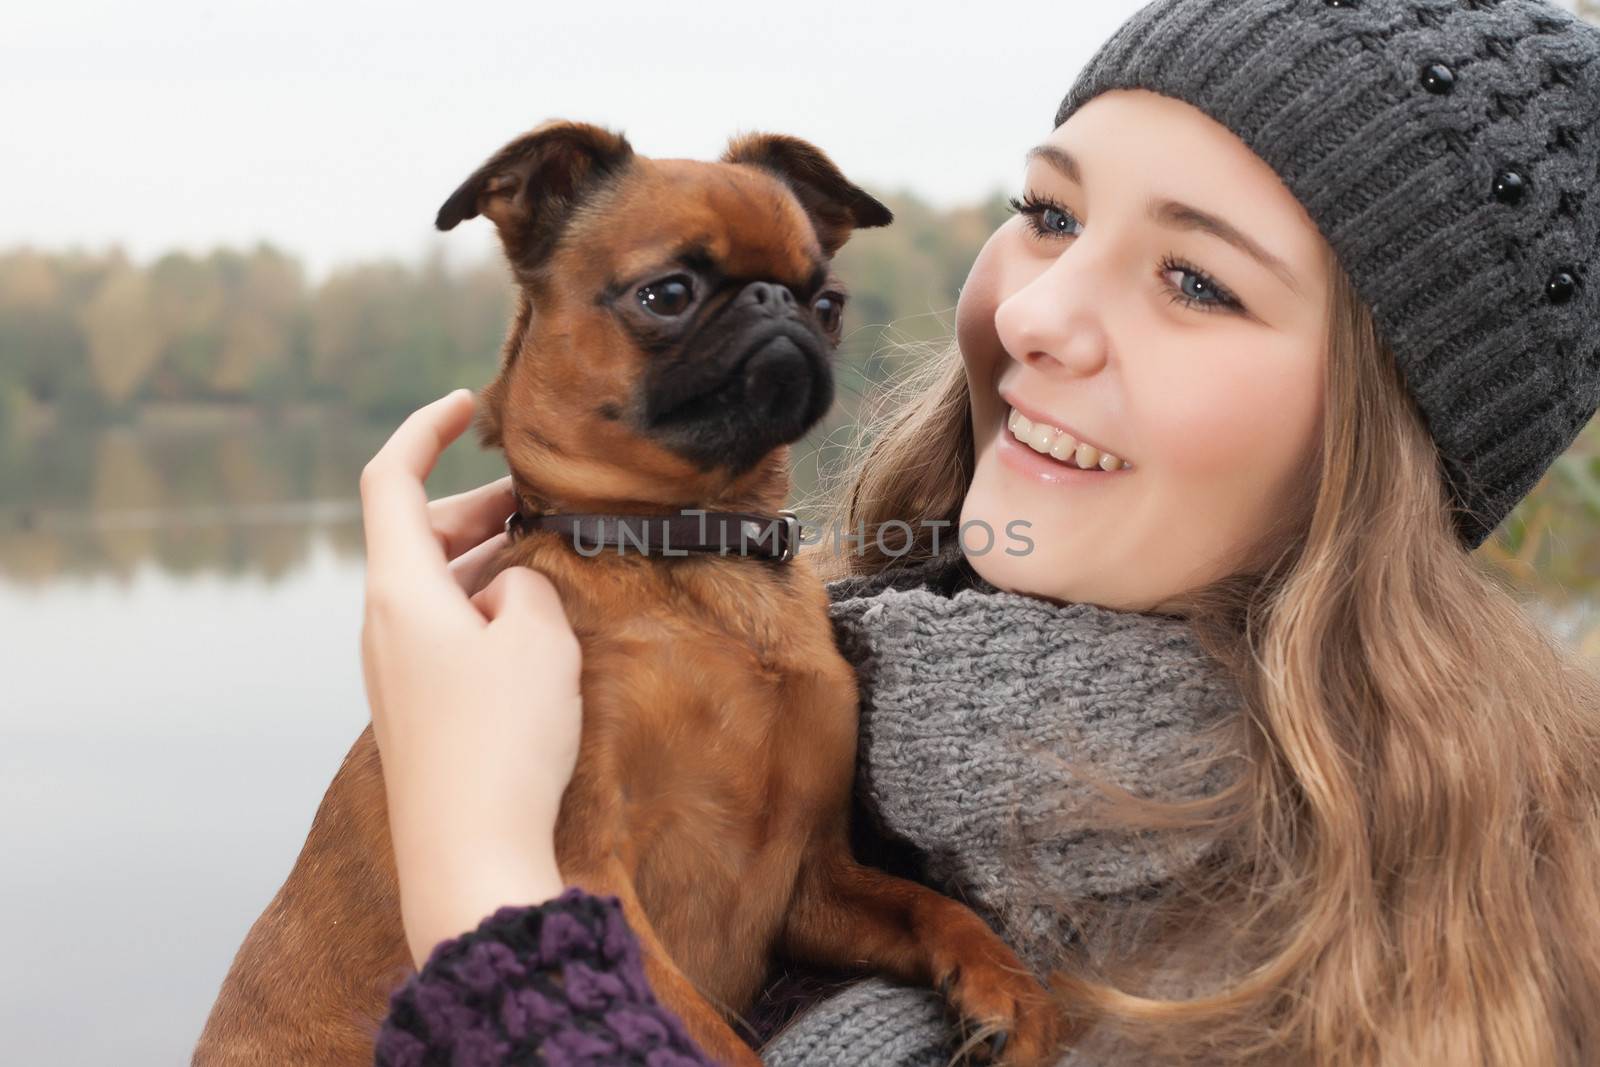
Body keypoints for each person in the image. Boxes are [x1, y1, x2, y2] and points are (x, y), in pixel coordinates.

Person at [360, 1, 1600, 1064]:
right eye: (1047, 214)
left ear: (1386, 439)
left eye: (1197, 282)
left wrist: (481, 882)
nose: (1038, 311)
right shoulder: (819, 649)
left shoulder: (1348, 974)